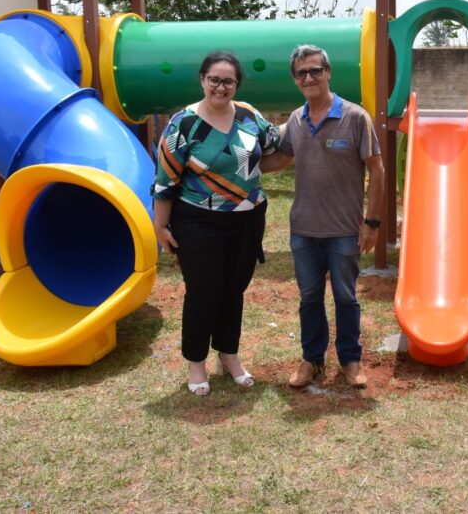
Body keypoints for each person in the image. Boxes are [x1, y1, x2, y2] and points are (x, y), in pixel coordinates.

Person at [152, 51, 280, 396]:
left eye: (229, 81)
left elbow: (277, 146)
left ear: (237, 84)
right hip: (198, 221)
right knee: (204, 291)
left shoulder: (249, 115)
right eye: (215, 79)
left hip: (248, 219)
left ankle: (229, 355)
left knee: (234, 289)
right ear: (202, 79)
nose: (221, 87)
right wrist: (160, 227)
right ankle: (196, 363)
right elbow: (165, 181)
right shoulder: (183, 123)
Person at [261, 44, 385, 389]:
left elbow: (377, 170)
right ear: (295, 80)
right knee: (309, 298)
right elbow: (277, 160)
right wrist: (238, 164)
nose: (309, 77)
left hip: (345, 230)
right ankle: (312, 360)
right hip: (304, 230)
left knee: (346, 296)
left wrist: (372, 223)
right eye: (302, 72)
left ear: (328, 72)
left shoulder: (356, 117)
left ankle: (351, 360)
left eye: (316, 70)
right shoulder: (295, 122)